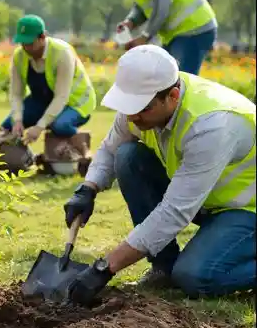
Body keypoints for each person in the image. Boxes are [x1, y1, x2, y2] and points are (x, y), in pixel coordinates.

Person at [63, 45, 255, 305]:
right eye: (128, 106)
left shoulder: (211, 126)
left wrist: (105, 267)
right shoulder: (141, 103)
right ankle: (163, 269)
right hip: (207, 199)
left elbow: (175, 212)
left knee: (195, 276)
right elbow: (110, 148)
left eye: (142, 108)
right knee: (128, 156)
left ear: (173, 96)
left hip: (245, 209)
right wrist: (88, 188)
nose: (132, 116)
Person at [0, 15, 96, 164]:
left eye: (30, 43)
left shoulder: (62, 53)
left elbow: (61, 96)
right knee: (8, 126)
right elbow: (16, 94)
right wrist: (18, 120)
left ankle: (81, 147)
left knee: (60, 126)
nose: (26, 48)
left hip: (76, 102)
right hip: (42, 100)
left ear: (42, 37)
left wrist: (39, 126)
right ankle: (30, 159)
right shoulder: (19, 56)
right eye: (22, 43)